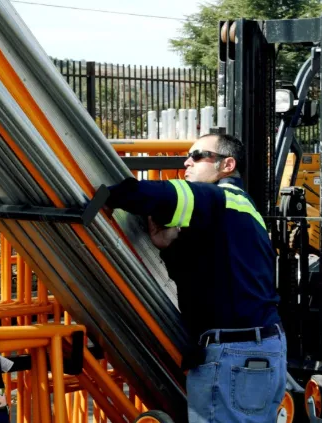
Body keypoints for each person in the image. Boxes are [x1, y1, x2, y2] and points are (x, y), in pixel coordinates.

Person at [105, 133, 287, 422]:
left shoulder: (220, 198)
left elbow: (161, 195)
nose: (187, 162)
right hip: (259, 347)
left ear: (227, 164)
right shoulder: (240, 210)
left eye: (199, 155)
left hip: (232, 353)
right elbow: (208, 274)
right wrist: (169, 247)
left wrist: (102, 193)